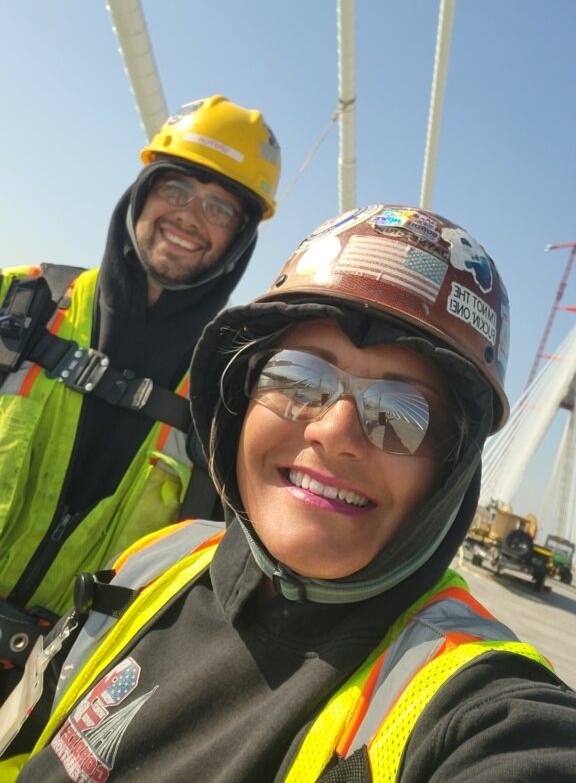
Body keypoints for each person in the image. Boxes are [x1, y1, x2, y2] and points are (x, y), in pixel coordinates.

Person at [3, 203, 576, 782]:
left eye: (403, 414)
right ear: (243, 399)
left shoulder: (469, 707)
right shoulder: (155, 564)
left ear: (450, 470)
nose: (334, 431)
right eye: (298, 378)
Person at [0, 94, 281, 661]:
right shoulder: (17, 307)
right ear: (141, 194)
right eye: (175, 189)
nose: (189, 216)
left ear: (240, 240)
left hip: (62, 704)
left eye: (219, 208)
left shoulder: (230, 403)